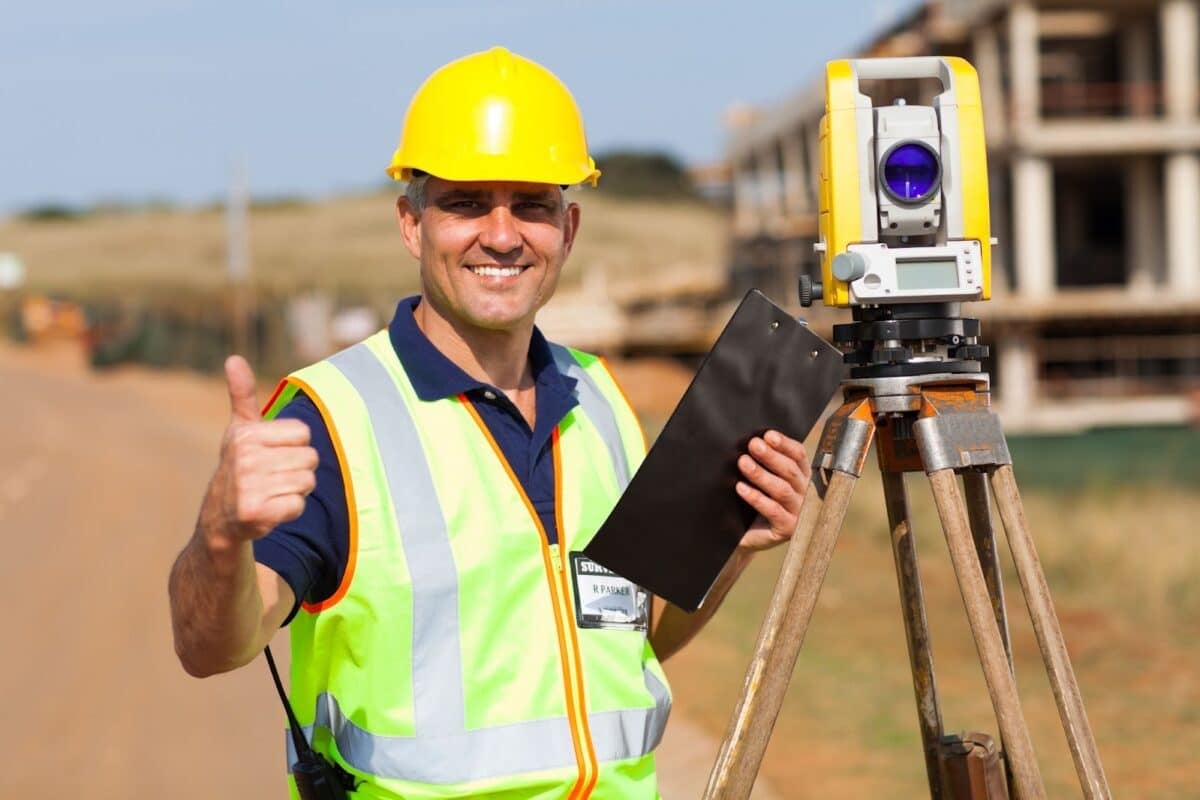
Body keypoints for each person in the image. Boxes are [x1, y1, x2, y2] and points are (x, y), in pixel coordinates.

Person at [168, 46, 811, 799]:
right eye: (468, 201)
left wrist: (728, 547)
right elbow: (212, 647)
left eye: (532, 204)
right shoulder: (333, 419)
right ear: (412, 224)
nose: (502, 235)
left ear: (567, 230)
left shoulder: (599, 400)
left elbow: (631, 644)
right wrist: (218, 537)